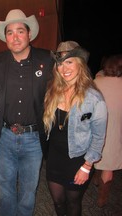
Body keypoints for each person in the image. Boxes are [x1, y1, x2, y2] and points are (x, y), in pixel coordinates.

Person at [0, 9, 54, 216]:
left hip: (33, 138)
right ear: (5, 37)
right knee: (5, 189)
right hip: (6, 136)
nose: (15, 37)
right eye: (10, 33)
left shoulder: (47, 60)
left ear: (29, 34)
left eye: (20, 31)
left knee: (28, 191)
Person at [43, 41, 108, 215]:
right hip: (55, 158)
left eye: (69, 62)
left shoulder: (94, 98)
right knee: (58, 202)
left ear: (80, 64)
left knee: (73, 203)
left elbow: (98, 137)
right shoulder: (53, 91)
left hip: (78, 160)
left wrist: (87, 167)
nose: (64, 68)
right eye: (60, 63)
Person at [93, 54, 122, 207]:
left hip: (94, 129)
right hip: (114, 132)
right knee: (108, 166)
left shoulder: (95, 82)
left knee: (93, 157)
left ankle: (96, 178)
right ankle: (101, 199)